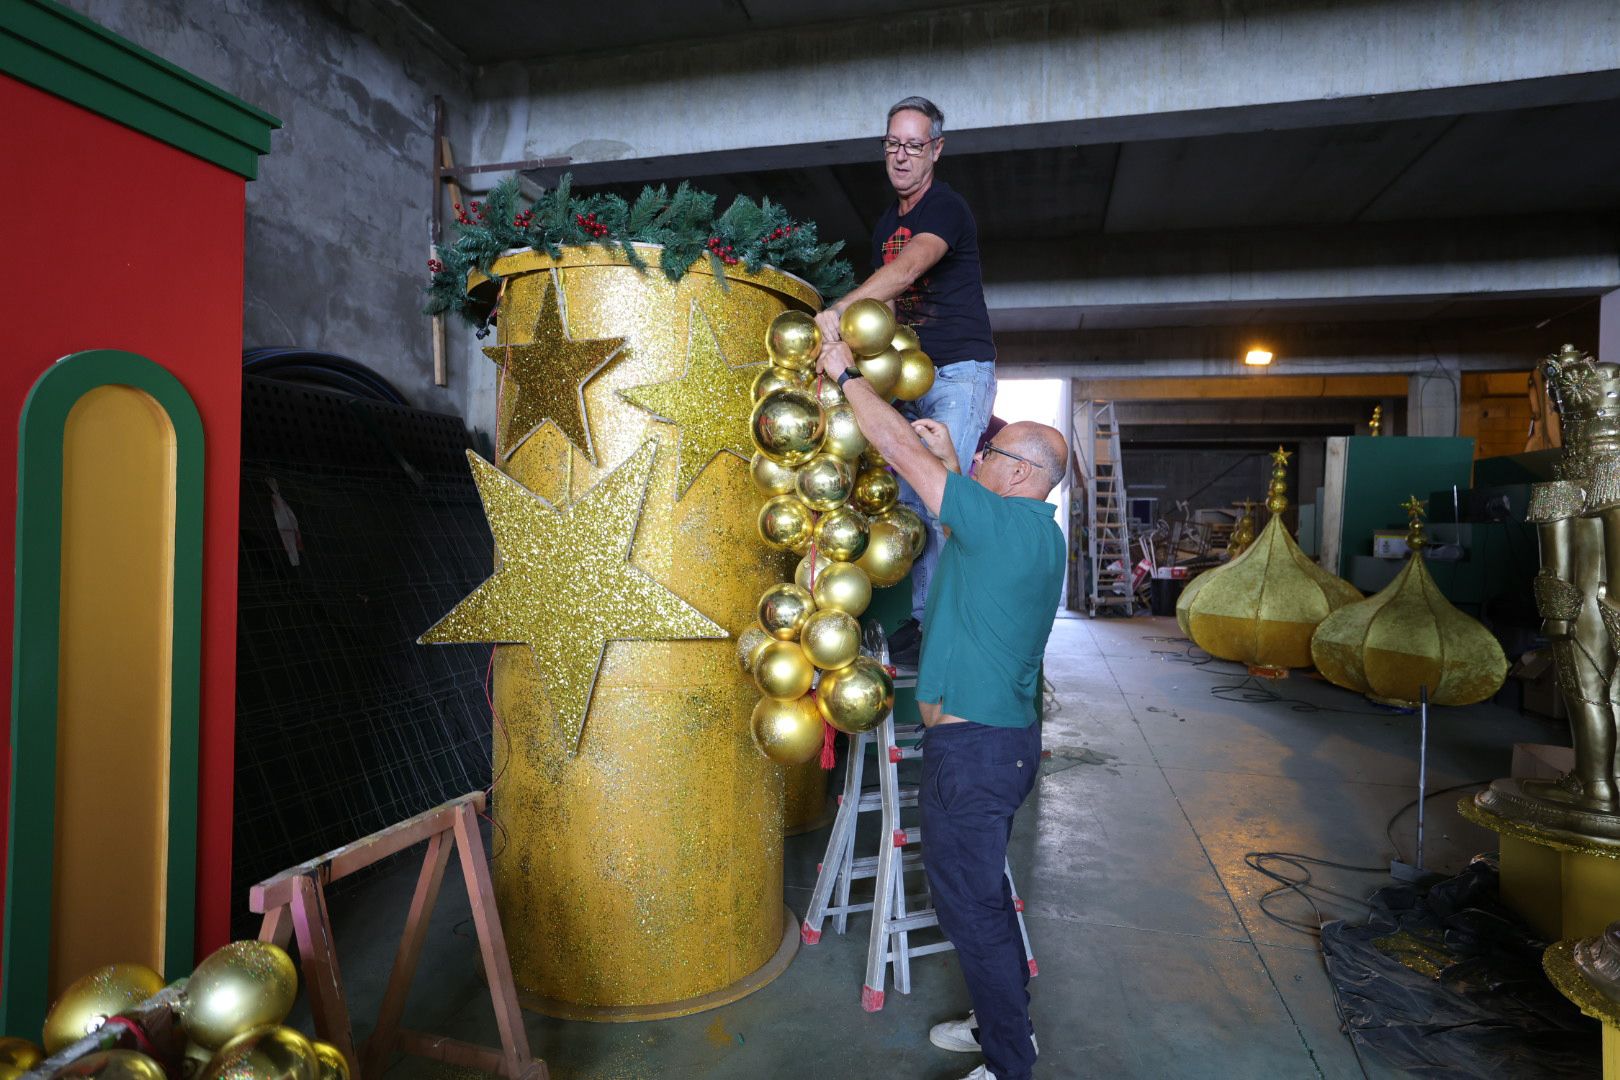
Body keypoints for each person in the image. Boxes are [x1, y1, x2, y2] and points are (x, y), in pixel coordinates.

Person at [815, 345, 1068, 1080]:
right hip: (1003, 746)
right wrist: (958, 457)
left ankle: (1009, 1062)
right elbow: (961, 531)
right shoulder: (1026, 533)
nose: (981, 461)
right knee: (982, 896)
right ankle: (1004, 1024)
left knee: (970, 910)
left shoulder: (1003, 525)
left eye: (991, 453)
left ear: (1018, 473)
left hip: (976, 755)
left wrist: (845, 374)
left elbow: (892, 442)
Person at [814, 95, 997, 666]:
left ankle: (938, 627)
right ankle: (923, 620)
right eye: (893, 143)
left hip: (958, 371)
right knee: (911, 503)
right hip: (910, 378)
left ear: (935, 150)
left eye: (914, 145)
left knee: (941, 496)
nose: (901, 155)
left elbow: (910, 269)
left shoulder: (945, 208)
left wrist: (837, 309)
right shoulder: (885, 223)